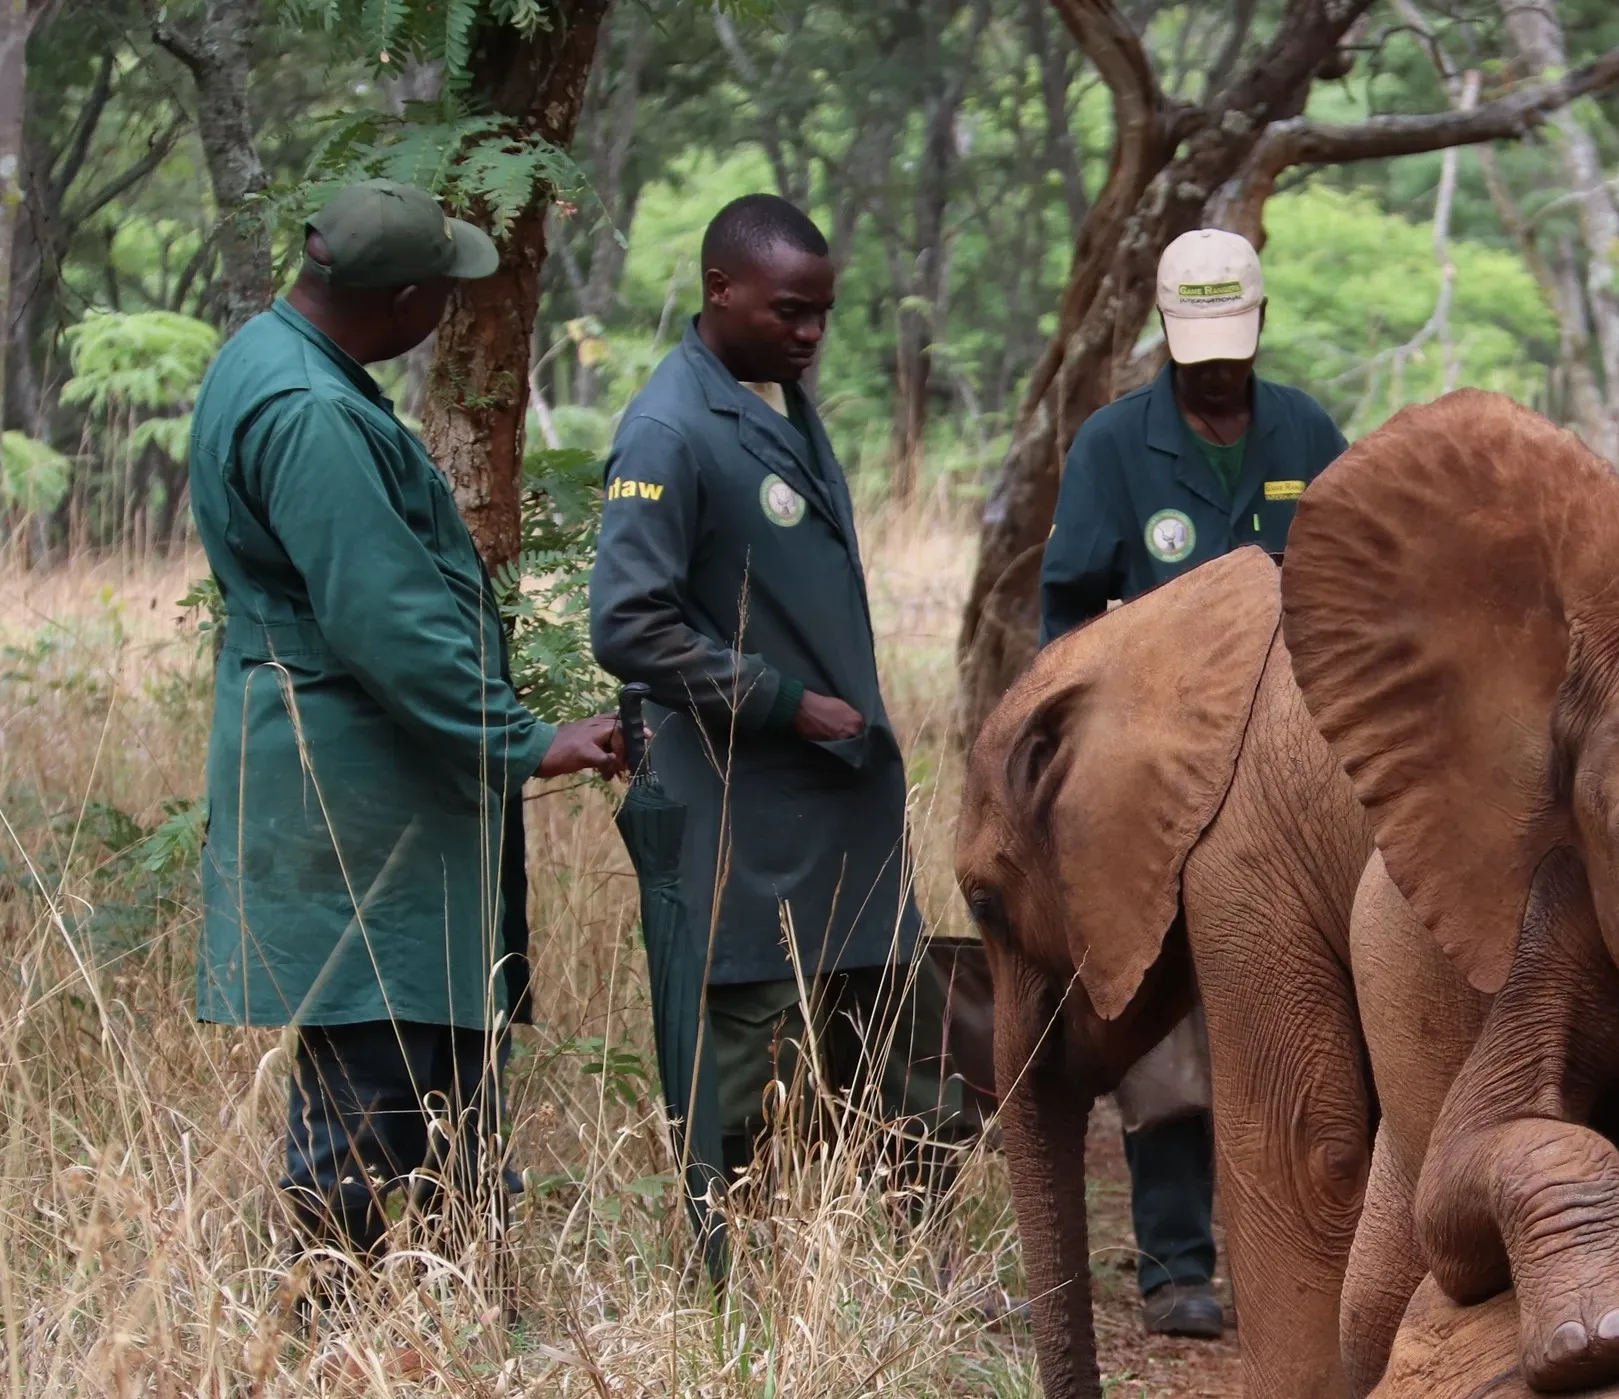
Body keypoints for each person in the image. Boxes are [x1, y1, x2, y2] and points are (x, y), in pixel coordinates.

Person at [190, 177, 624, 1264]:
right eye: (445, 288)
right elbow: (385, 620)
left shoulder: (271, 357)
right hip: (360, 803)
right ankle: (332, 1338)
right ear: (404, 298)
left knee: (433, 1072)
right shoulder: (314, 413)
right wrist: (530, 739)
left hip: (363, 789)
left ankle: (450, 1317)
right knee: (374, 1088)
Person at [589, 194, 970, 1188]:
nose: (809, 335)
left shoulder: (776, 398)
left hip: (843, 810)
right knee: (741, 1088)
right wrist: (782, 700)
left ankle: (904, 1287)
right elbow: (629, 624)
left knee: (910, 1067)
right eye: (788, 311)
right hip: (745, 817)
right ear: (720, 289)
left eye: (822, 316)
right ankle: (721, 1300)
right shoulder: (668, 429)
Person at [1039, 228, 1348, 1338]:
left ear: (1259, 323)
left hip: (1296, 773)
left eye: (1232, 342)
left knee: (1302, 1014)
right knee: (1163, 1019)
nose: (1215, 368)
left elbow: (1355, 583)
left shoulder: (1307, 431)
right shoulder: (1116, 446)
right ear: (1167, 336)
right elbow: (1064, 618)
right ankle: (1176, 1260)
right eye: (1194, 347)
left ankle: (1311, 1258)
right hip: (1164, 777)